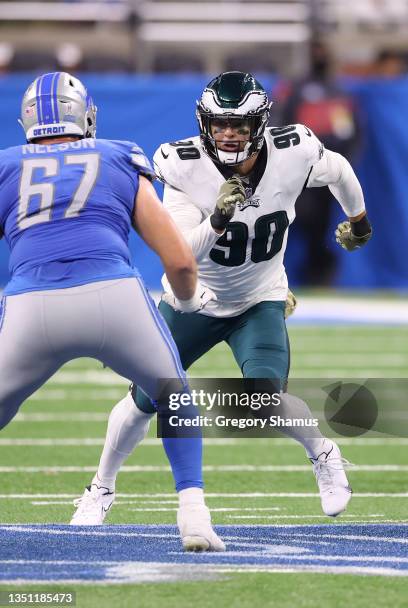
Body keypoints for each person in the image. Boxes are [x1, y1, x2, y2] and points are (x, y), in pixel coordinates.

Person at [73, 71, 372, 533]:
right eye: (219, 124)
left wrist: (359, 219)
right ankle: (100, 488)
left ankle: (324, 454)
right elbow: (179, 250)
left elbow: (340, 171)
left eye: (238, 125)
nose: (228, 134)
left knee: (264, 399)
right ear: (204, 123)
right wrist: (217, 218)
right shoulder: (183, 163)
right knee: (145, 398)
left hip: (258, 296)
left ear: (260, 124)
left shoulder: (293, 150)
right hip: (195, 299)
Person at [0, 71, 224, 552]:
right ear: (85, 116)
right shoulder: (116, 154)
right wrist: (185, 302)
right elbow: (180, 259)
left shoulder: (7, 165)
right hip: (113, 296)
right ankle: (194, 514)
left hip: (30, 305)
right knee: (173, 394)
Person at [273, 39, 361, 285]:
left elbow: (350, 132)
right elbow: (279, 124)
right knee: (289, 221)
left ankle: (319, 275)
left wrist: (343, 166)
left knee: (321, 227)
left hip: (327, 172)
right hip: (299, 171)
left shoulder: (338, 92)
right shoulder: (295, 89)